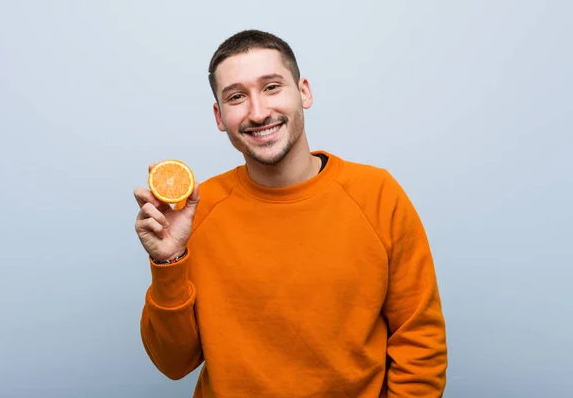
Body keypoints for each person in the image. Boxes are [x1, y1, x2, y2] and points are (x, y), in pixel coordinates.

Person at [133, 29, 448, 397]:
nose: (258, 111)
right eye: (237, 97)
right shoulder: (195, 212)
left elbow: (420, 343)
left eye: (271, 87)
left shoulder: (377, 195)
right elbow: (173, 364)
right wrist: (170, 261)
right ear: (220, 116)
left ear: (304, 92)